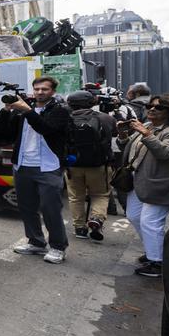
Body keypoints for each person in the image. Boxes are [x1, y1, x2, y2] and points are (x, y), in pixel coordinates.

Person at [0, 75, 72, 264]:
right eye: (37, 89)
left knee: (50, 208)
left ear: (52, 91)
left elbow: (45, 128)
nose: (39, 92)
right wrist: (6, 111)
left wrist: (27, 111)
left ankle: (58, 246)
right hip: (22, 165)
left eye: (44, 89)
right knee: (27, 207)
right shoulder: (23, 111)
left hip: (48, 166)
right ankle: (36, 242)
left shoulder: (60, 110)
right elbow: (3, 134)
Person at [116, 94, 169, 278]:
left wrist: (145, 133)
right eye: (150, 106)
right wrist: (122, 134)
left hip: (160, 184)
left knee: (150, 222)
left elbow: (165, 152)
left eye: (158, 107)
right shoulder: (149, 126)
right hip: (139, 181)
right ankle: (155, 252)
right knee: (134, 216)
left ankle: (158, 262)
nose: (151, 109)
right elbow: (129, 148)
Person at [65, 90, 116, 241]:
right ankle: (96, 219)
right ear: (92, 102)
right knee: (100, 194)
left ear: (70, 104)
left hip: (73, 165)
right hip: (99, 165)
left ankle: (79, 228)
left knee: (76, 197)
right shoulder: (106, 118)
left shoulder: (66, 119)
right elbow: (112, 136)